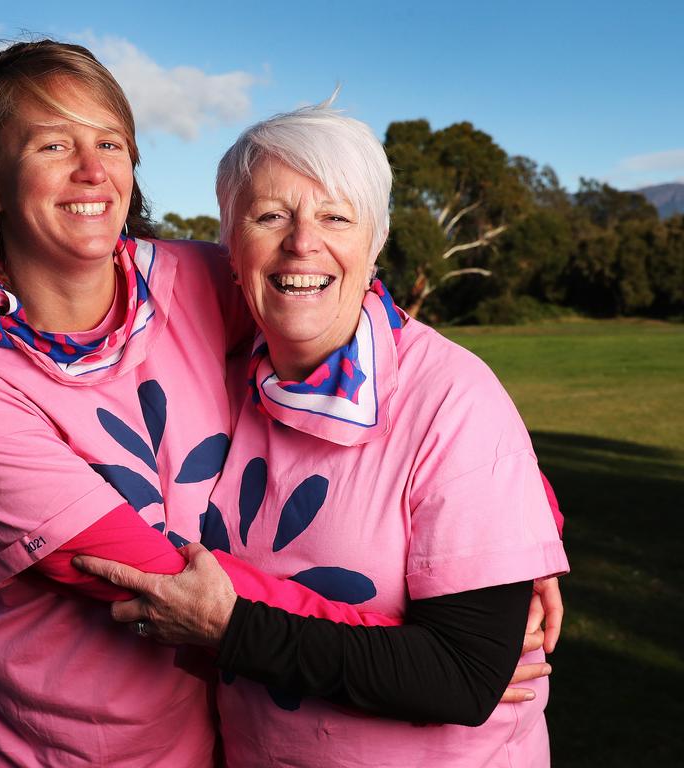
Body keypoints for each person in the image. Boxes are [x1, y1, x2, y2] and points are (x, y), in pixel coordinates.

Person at [0, 40, 562, 766]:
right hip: (55, 750)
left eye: (110, 142)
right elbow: (157, 580)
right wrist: (428, 659)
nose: (93, 169)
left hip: (205, 745)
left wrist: (502, 533)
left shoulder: (189, 280)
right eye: (54, 144)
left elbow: (361, 324)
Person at [75, 104, 569, 766]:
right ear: (230, 242)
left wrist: (231, 629)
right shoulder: (224, 374)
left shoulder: (452, 396)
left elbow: (463, 676)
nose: (302, 242)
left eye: (336, 217)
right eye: (270, 215)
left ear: (377, 241)